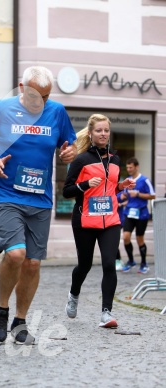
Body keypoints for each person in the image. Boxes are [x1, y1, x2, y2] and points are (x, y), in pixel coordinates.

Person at [0, 66, 77, 344]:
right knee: (17, 254)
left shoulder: (56, 111)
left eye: (45, 96)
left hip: (40, 198)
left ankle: (20, 321)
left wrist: (69, 153)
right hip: (7, 193)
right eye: (35, 96)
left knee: (32, 263)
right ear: (22, 87)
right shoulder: (1, 108)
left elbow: (70, 146)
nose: (40, 102)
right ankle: (1, 310)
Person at [62, 114, 136, 328]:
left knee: (108, 264)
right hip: (85, 219)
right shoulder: (81, 160)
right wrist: (85, 185)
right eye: (99, 130)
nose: (103, 134)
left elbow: (110, 187)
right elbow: (67, 191)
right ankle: (74, 294)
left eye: (106, 130)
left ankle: (106, 313)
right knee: (84, 265)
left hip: (110, 219)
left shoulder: (115, 159)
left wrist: (122, 186)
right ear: (91, 134)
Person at [121, 157, 156, 274]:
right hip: (129, 212)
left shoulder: (144, 180)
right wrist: (124, 197)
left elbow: (153, 195)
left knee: (139, 238)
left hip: (142, 214)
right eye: (127, 167)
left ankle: (144, 263)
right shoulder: (128, 180)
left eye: (131, 167)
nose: (129, 169)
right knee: (126, 237)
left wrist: (138, 194)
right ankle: (131, 261)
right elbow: (124, 193)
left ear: (137, 167)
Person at [114, 191, 128, 271]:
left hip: (118, 220)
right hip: (107, 219)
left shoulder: (122, 190)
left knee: (113, 241)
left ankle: (118, 261)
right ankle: (116, 260)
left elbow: (129, 199)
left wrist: (121, 204)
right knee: (111, 242)